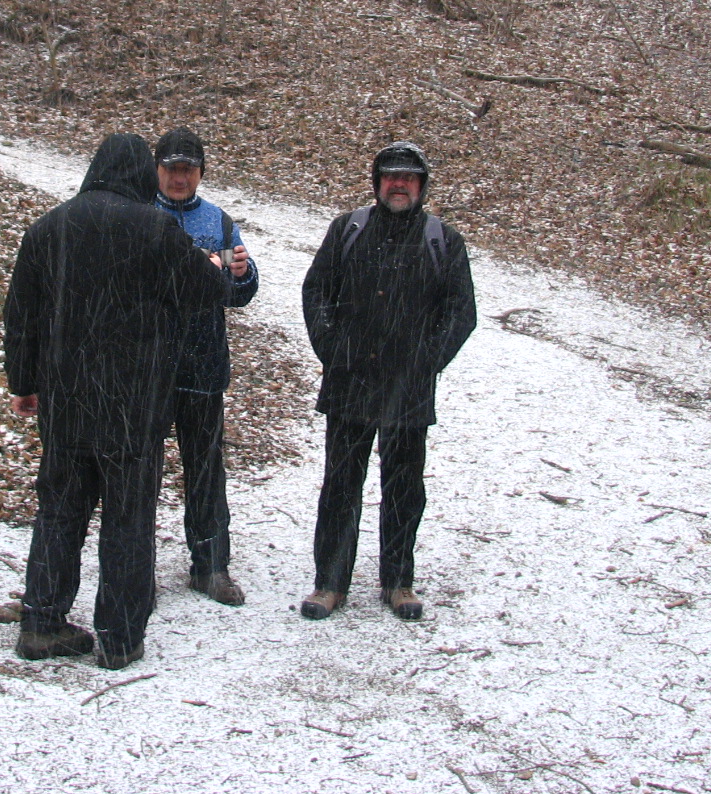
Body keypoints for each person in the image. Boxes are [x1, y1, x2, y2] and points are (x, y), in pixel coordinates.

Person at [4, 133, 228, 669]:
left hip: (65, 403)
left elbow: (21, 314)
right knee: (128, 520)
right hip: (133, 405)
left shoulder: (49, 227)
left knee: (59, 512)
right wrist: (215, 268)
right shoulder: (155, 229)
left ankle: (41, 623)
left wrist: (23, 383)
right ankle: (120, 638)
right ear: (142, 175)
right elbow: (205, 292)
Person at [298, 141, 476, 622]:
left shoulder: (443, 240)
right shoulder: (348, 230)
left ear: (421, 186)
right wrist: (333, 350)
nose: (399, 185)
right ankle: (330, 582)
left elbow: (461, 312)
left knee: (404, 489)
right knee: (340, 486)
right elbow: (316, 291)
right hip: (349, 383)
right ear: (377, 183)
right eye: (391, 176)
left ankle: (398, 581)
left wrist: (426, 363)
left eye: (409, 178)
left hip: (409, 391)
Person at [152, 127, 259, 607]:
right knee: (142, 472)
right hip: (149, 368)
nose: (180, 178)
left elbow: (240, 293)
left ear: (200, 174)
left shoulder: (218, 220)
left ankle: (211, 566)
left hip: (204, 364)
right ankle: (136, 566)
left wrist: (241, 273)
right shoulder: (141, 213)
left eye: (188, 170)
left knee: (206, 470)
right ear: (157, 170)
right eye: (172, 168)